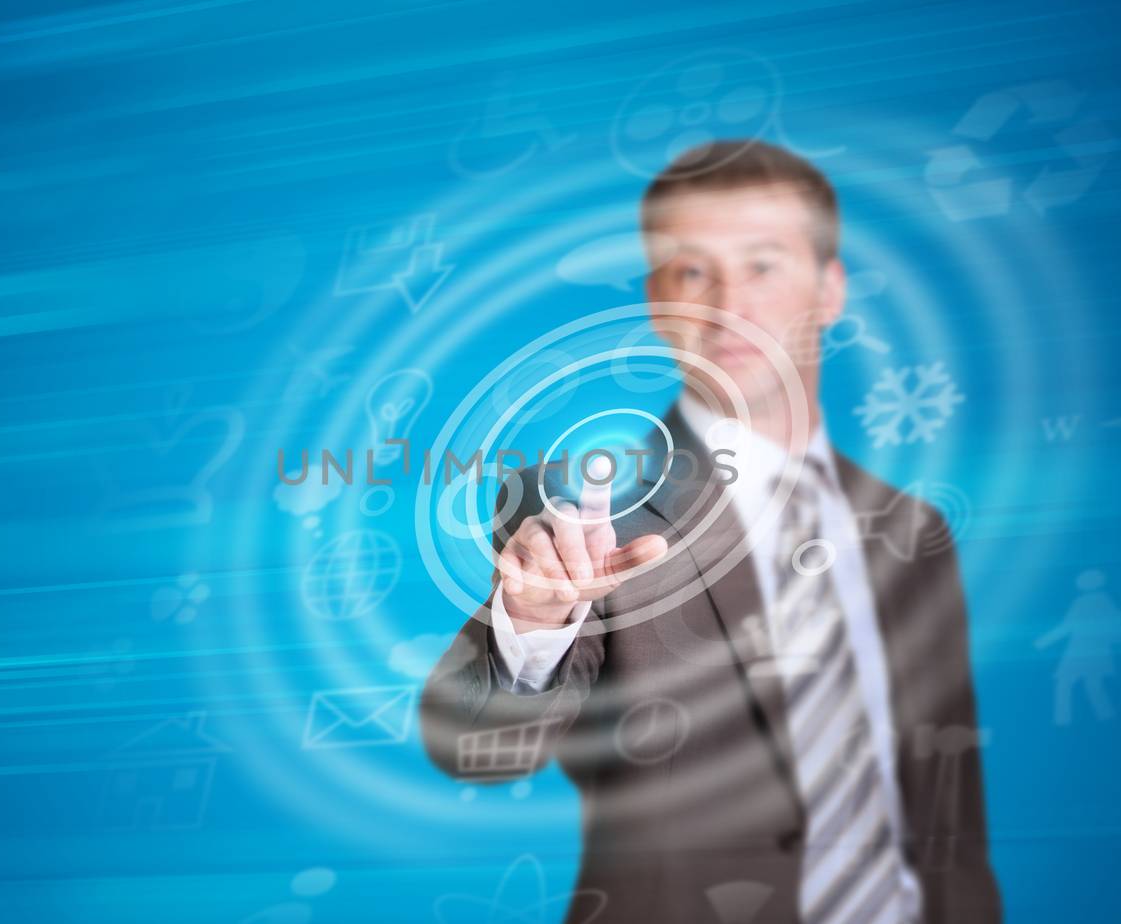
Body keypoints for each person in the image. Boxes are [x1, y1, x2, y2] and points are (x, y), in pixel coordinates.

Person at [420, 140, 1001, 923]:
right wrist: (530, 622)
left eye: (763, 265)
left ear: (830, 290)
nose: (728, 303)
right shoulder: (577, 511)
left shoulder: (912, 531)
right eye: (692, 271)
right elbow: (476, 749)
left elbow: (944, 810)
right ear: (659, 297)